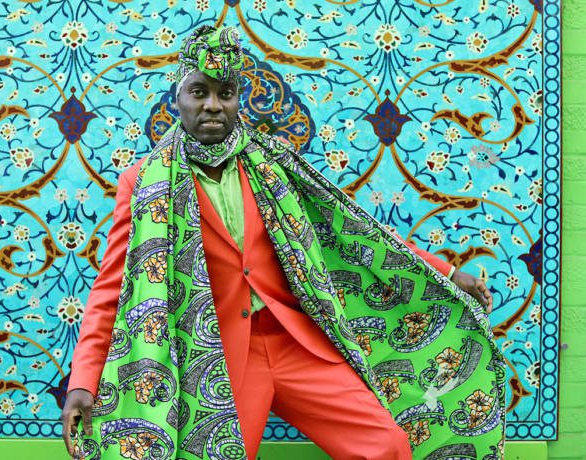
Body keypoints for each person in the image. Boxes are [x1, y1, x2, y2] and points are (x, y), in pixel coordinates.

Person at [62, 25, 503, 460]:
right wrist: (82, 381)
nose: (213, 105)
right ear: (178, 98)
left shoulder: (272, 162)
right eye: (199, 92)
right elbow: (110, 288)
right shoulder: (142, 183)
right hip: (219, 355)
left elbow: (353, 230)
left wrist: (444, 274)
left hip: (296, 340)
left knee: (385, 445)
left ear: (238, 99)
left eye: (225, 92)